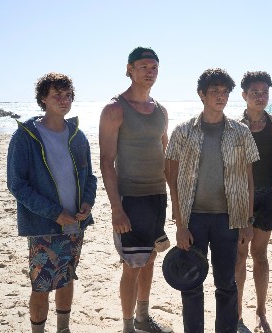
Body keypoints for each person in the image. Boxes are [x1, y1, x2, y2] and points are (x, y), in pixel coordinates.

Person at [166, 68, 259, 333]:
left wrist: (247, 221)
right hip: (193, 218)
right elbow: (171, 179)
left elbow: (249, 179)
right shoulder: (183, 131)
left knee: (226, 283)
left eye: (224, 92)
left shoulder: (240, 132)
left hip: (228, 219)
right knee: (191, 281)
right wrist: (180, 225)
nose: (221, 97)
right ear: (202, 95)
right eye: (215, 92)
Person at [7, 72, 97, 333]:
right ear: (43, 99)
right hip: (43, 226)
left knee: (67, 279)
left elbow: (89, 176)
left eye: (68, 94)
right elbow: (16, 184)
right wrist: (53, 212)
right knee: (41, 284)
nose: (64, 99)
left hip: (75, 224)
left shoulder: (77, 135)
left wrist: (87, 203)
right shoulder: (26, 136)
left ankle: (63, 329)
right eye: (57, 94)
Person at [99, 47, 172, 333]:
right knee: (131, 265)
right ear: (129, 69)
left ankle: (143, 317)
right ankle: (128, 326)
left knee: (150, 257)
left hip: (157, 196)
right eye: (143, 66)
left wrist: (175, 200)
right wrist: (117, 208)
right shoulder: (115, 109)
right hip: (131, 197)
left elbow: (166, 155)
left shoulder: (161, 110)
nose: (149, 72)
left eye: (154, 67)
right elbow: (106, 161)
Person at [235, 71, 272, 333]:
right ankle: (236, 312)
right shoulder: (234, 127)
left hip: (269, 196)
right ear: (244, 95)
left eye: (264, 92)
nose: (260, 96)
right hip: (238, 197)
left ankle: (260, 310)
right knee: (238, 255)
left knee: (260, 255)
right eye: (254, 92)